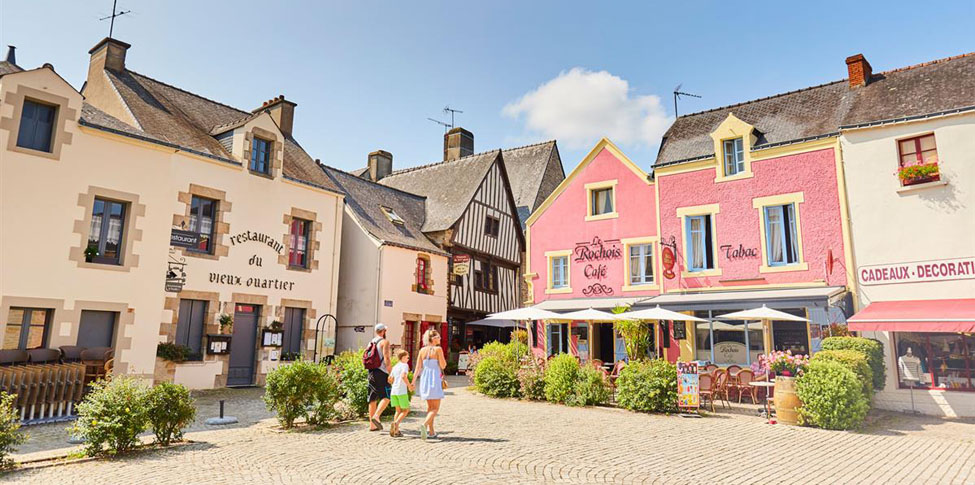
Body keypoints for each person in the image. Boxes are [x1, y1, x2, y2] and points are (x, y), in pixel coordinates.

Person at [411, 328, 446, 440]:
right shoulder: (438, 349)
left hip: (425, 379)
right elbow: (443, 365)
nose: (440, 339)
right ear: (433, 339)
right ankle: (425, 425)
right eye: (438, 337)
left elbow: (417, 368)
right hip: (434, 378)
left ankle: (431, 432)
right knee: (435, 408)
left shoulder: (422, 351)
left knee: (430, 407)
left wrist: (413, 381)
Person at [367, 323, 392, 431]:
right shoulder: (384, 342)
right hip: (382, 372)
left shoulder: (371, 342)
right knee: (386, 397)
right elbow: (387, 358)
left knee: (372, 398)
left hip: (371, 372)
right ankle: (376, 416)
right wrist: (391, 373)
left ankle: (372, 426)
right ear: (384, 331)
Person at [387, 349, 413, 437]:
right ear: (402, 357)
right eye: (407, 357)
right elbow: (403, 376)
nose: (408, 359)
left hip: (393, 391)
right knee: (406, 410)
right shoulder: (404, 365)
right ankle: (396, 424)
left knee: (398, 411)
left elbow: (390, 379)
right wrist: (409, 386)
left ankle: (396, 431)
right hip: (401, 391)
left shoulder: (395, 366)